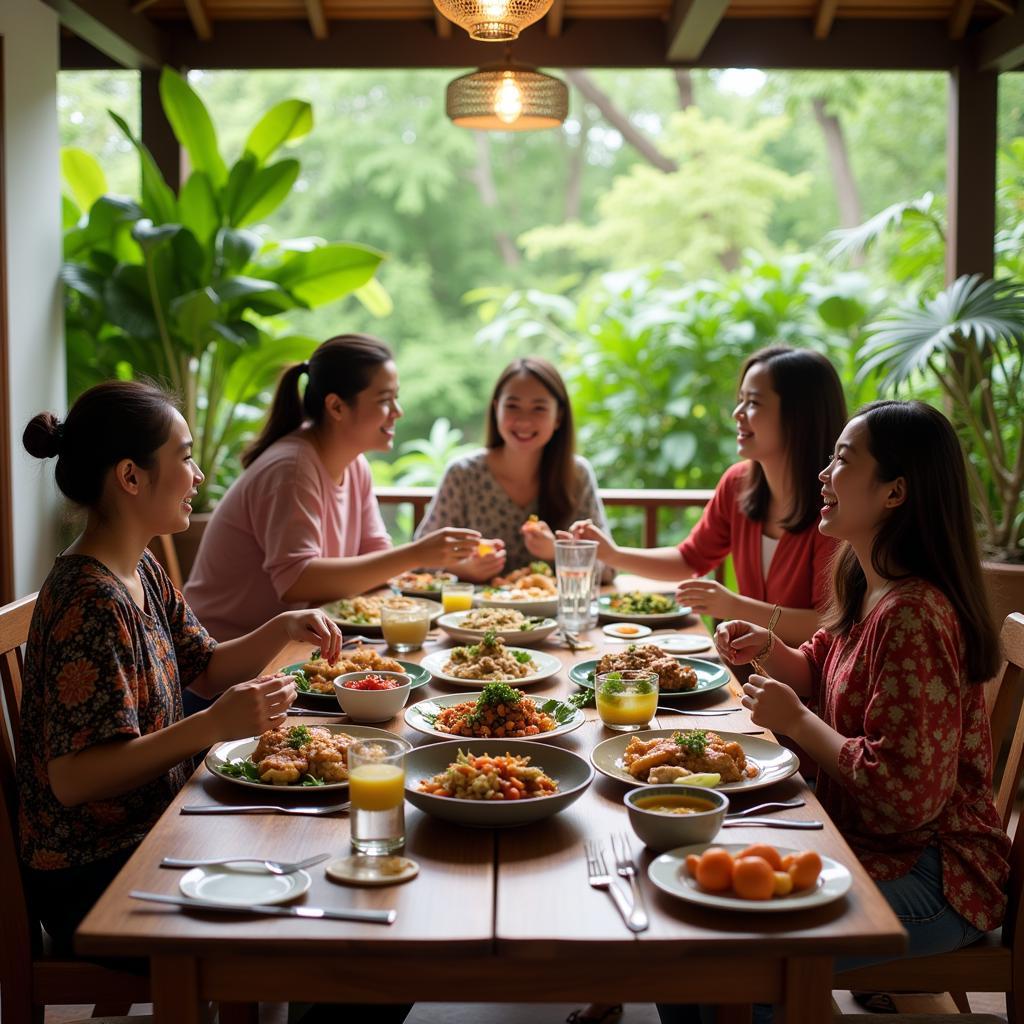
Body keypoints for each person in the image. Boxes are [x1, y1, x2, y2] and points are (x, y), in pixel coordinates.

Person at [696, 401, 1010, 1022]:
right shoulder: (870, 583)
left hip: (938, 876)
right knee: (695, 939)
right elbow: (823, 668)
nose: (823, 474)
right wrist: (772, 651)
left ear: (895, 492)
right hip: (867, 843)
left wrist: (796, 723)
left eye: (842, 460)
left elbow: (906, 798)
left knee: (731, 958)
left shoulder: (915, 615)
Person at [16, 380, 343, 954]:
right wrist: (214, 726)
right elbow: (75, 779)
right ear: (130, 476)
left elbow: (207, 667)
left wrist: (283, 626)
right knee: (339, 924)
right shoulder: (88, 600)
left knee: (340, 870)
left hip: (159, 830)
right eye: (185, 458)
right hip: (96, 872)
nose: (197, 476)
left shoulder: (137, 567)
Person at [185, 334, 480, 640]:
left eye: (396, 397)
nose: (397, 411)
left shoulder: (355, 464)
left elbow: (376, 554)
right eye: (384, 400)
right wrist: (417, 554)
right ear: (336, 406)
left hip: (301, 647)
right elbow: (297, 581)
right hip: (226, 661)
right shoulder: (292, 469)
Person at [571, 345, 847, 646]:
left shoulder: (837, 506)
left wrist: (734, 607)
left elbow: (826, 624)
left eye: (753, 403)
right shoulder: (738, 484)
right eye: (740, 400)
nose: (737, 414)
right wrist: (613, 554)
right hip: (753, 673)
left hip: (808, 688)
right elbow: (689, 559)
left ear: (799, 414)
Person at [415, 356, 610, 582]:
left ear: (559, 417)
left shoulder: (577, 474)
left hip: (558, 616)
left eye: (539, 408)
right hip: (475, 615)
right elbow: (418, 563)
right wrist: (464, 569)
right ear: (496, 408)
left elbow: (608, 569)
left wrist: (558, 551)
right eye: (512, 406)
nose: (524, 420)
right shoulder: (463, 474)